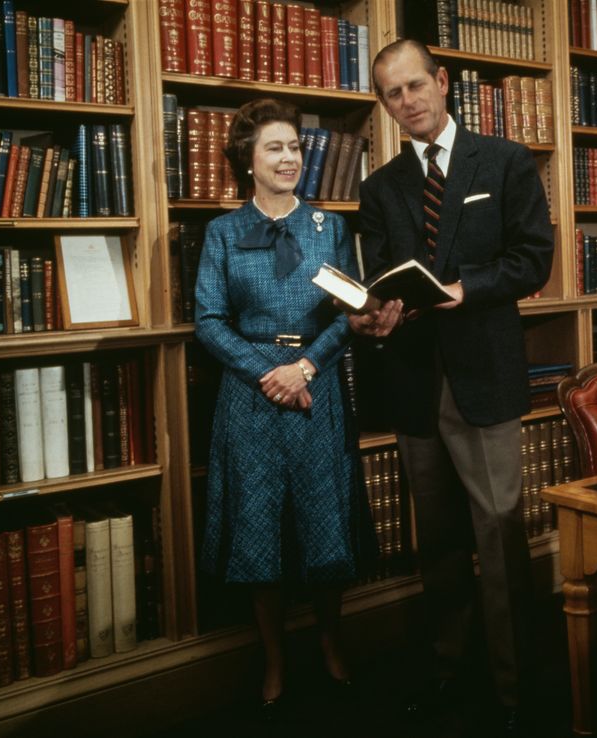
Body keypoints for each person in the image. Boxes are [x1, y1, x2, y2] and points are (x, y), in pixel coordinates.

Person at [349, 39, 554, 736]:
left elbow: (534, 261)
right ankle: (450, 673)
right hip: (413, 381)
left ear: (443, 83)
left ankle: (515, 690)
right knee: (435, 543)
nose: (407, 102)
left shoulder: (504, 160)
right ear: (384, 105)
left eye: (415, 87)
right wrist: (376, 315)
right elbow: (382, 275)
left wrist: (471, 288)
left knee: (498, 535)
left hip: (484, 377)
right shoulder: (379, 189)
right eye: (392, 95)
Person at [194, 98, 374, 719]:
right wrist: (266, 373)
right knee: (258, 527)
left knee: (325, 518)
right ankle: (273, 658)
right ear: (248, 160)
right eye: (274, 147)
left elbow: (352, 313)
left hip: (315, 389)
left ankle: (330, 641)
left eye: (295, 147)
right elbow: (209, 322)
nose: (289, 158)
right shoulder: (222, 232)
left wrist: (305, 367)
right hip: (249, 397)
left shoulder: (329, 229)